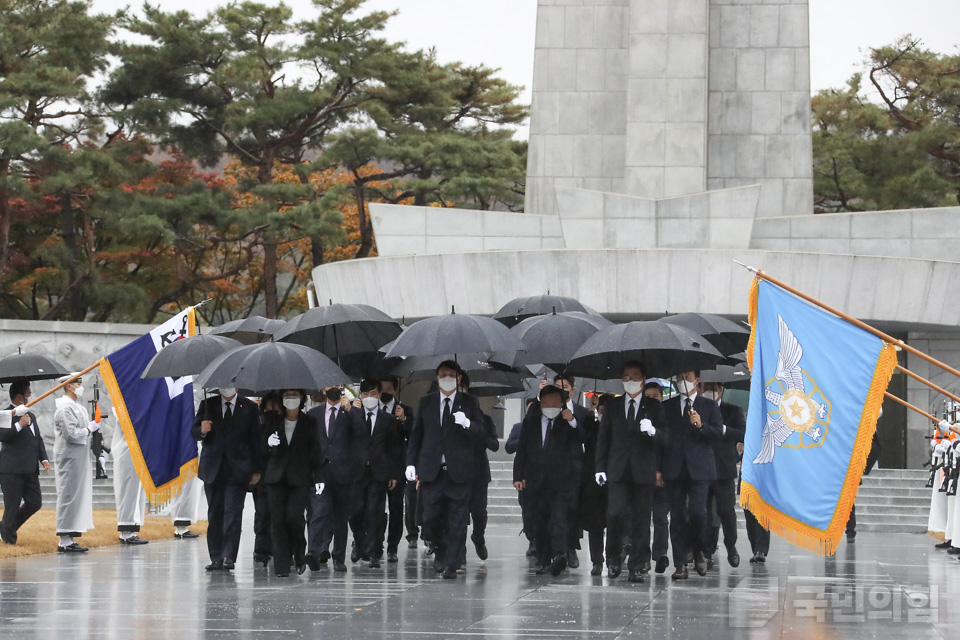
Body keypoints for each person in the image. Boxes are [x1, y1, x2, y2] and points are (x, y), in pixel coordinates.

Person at [405, 360, 486, 579]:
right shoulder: (427, 402)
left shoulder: (469, 402)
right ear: (437, 377)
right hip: (432, 470)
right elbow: (417, 434)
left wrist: (467, 423)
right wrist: (411, 463)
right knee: (431, 516)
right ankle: (440, 551)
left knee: (458, 519)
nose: (447, 379)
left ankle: (454, 561)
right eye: (443, 375)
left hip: (459, 471)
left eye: (452, 375)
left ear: (459, 378)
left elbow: (482, 433)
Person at [595, 361, 665, 583]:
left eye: (635, 377)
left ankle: (637, 565)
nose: (631, 381)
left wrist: (653, 431)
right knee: (614, 514)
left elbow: (667, 438)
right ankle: (613, 558)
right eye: (626, 377)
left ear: (643, 380)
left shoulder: (653, 407)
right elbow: (603, 439)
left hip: (643, 471)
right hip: (617, 470)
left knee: (641, 519)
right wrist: (600, 468)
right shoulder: (614, 406)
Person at [191, 387, 263, 571]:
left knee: (233, 513)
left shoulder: (249, 407)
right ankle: (215, 557)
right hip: (213, 469)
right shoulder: (208, 404)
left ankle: (228, 556)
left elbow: (256, 440)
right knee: (215, 514)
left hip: (237, 470)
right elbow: (194, 431)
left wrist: (256, 469)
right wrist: (203, 430)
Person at [513, 385, 581, 576]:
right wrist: (518, 476)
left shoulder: (566, 421)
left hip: (560, 481)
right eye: (546, 403)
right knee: (539, 521)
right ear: (540, 403)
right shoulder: (530, 422)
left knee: (559, 519)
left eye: (554, 403)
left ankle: (559, 555)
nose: (550, 406)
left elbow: (581, 439)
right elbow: (522, 451)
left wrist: (573, 421)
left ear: (562, 403)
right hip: (535, 480)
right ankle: (543, 560)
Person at [661, 370, 722, 579]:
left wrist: (701, 425)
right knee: (677, 516)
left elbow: (716, 434)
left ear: (697, 381)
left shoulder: (709, 406)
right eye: (679, 377)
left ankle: (699, 549)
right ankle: (680, 563)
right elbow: (662, 438)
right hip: (674, 468)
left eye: (687, 377)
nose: (682, 381)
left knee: (698, 512)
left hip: (700, 468)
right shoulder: (667, 406)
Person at [263, 389, 324, 577]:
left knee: (294, 517)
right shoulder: (272, 419)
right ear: (281, 399)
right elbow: (259, 446)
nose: (291, 398)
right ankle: (281, 565)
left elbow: (316, 451)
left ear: (301, 398)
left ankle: (299, 552)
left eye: (295, 395)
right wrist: (267, 442)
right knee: (277, 520)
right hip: (276, 477)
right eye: (287, 395)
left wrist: (319, 477)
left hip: (299, 478)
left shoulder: (310, 422)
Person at [349, 379, 401, 568]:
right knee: (355, 512)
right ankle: (359, 543)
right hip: (357, 472)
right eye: (365, 394)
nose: (369, 398)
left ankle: (375, 551)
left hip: (379, 473)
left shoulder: (387, 419)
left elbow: (394, 447)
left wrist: (394, 474)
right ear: (360, 396)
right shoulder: (353, 416)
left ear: (379, 395)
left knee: (375, 512)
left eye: (373, 394)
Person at [305, 386, 355, 572]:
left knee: (341, 517)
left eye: (336, 385)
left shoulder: (349, 412)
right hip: (320, 472)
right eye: (328, 386)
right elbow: (309, 442)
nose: (332, 389)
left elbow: (360, 433)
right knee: (318, 512)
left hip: (343, 472)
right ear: (323, 390)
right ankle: (314, 551)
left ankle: (339, 556)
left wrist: (351, 411)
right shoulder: (314, 413)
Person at [0, 381, 50, 545]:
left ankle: (6, 528)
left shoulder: (31, 415)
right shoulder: (6, 413)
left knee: (35, 502)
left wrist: (43, 458)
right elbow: (3, 436)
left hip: (29, 469)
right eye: (28, 394)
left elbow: (37, 439)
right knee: (12, 505)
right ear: (19, 397)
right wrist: (19, 425)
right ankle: (9, 540)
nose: (30, 397)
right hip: (11, 469)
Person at [701, 381, 744, 568]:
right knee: (705, 512)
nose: (710, 392)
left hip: (724, 469)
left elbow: (742, 433)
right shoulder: (697, 409)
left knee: (726, 510)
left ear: (721, 390)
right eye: (706, 388)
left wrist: (724, 429)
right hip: (702, 468)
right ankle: (707, 550)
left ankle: (731, 545)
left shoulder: (733, 410)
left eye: (713, 388)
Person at [52, 374, 96, 552]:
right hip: (69, 457)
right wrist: (88, 429)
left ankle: (71, 536)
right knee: (68, 495)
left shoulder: (77, 407)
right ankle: (64, 538)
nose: (80, 385)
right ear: (69, 386)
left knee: (76, 495)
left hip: (79, 457)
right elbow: (70, 434)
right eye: (78, 383)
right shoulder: (64, 408)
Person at [553, 374, 591, 570]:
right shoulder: (547, 410)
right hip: (553, 468)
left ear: (572, 390)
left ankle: (571, 548)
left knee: (573, 511)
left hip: (576, 468)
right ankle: (558, 550)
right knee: (557, 511)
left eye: (565, 386)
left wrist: (573, 422)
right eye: (558, 386)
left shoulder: (582, 412)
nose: (562, 389)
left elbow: (586, 438)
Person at [461, 372, 499, 567]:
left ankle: (478, 536)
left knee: (478, 512)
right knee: (458, 515)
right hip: (457, 473)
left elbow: (494, 444)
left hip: (478, 473)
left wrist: (475, 429)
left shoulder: (484, 419)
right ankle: (459, 551)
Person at [379, 376, 416, 560]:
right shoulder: (371, 408)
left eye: (388, 390)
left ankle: (392, 546)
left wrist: (403, 420)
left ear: (395, 390)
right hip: (377, 466)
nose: (384, 393)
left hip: (397, 465)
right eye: (382, 390)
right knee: (374, 508)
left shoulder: (405, 410)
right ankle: (372, 542)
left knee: (396, 508)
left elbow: (413, 435)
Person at [110, 398, 149, 545]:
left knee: (135, 493)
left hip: (135, 453)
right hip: (126, 453)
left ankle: (131, 528)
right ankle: (126, 531)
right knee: (128, 492)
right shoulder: (122, 406)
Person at [642, 381, 671, 574]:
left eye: (655, 397)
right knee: (643, 517)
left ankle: (660, 554)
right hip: (641, 475)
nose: (652, 400)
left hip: (662, 475)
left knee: (660, 517)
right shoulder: (639, 416)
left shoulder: (667, 417)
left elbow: (668, 443)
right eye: (648, 397)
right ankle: (643, 556)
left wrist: (659, 469)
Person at [506, 398, 537, 558]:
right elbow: (509, 447)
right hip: (525, 477)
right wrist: (524, 440)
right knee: (528, 510)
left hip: (543, 475)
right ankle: (531, 538)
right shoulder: (519, 428)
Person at [253, 392, 281, 566]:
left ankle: (280, 548)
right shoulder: (258, 422)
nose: (272, 410)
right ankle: (261, 549)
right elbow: (254, 447)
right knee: (263, 514)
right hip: (263, 477)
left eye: (275, 406)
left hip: (282, 476)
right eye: (268, 406)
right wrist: (266, 445)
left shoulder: (286, 422)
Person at [737, 441, 771, 563]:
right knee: (749, 516)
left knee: (762, 514)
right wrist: (739, 450)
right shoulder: (745, 431)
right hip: (747, 475)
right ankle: (755, 548)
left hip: (764, 473)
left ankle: (760, 550)